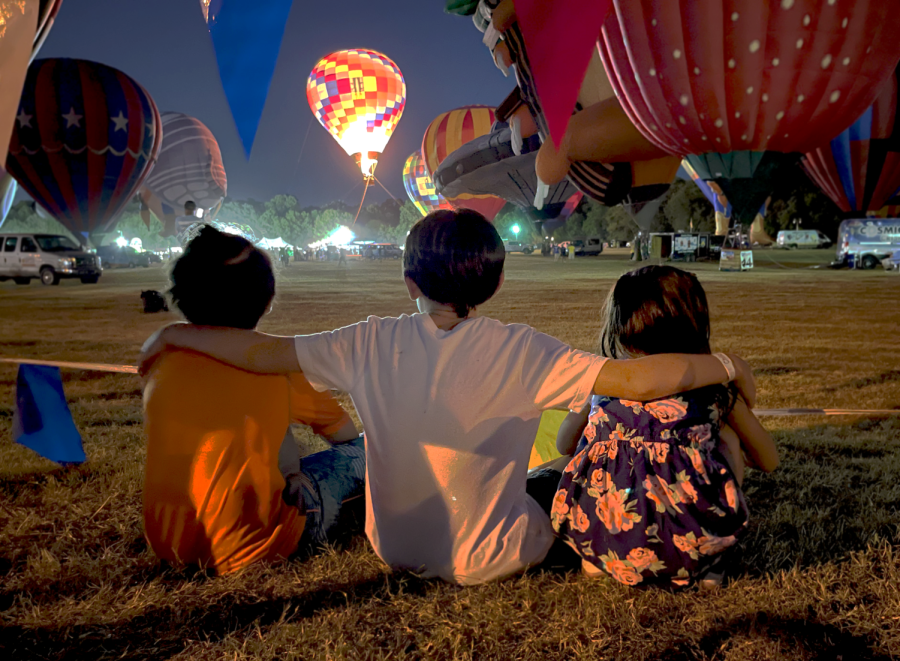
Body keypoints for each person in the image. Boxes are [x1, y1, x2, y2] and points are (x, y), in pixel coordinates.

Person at [139, 210, 756, 586]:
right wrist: (727, 363)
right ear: (497, 280)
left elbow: (260, 352)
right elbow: (640, 381)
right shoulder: (525, 349)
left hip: (394, 549)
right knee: (555, 474)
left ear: (408, 279)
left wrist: (175, 332)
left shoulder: (364, 341)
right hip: (496, 558)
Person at [142, 226, 365, 576]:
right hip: (258, 547)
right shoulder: (275, 367)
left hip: (170, 545)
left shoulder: (162, 362)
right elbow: (344, 434)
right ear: (267, 299)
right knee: (364, 451)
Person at [552, 265, 778, 589]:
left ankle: (598, 557)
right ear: (695, 322)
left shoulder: (602, 387)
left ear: (619, 324)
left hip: (599, 543)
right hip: (689, 545)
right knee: (728, 438)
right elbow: (769, 460)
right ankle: (711, 557)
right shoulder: (716, 394)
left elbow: (563, 445)